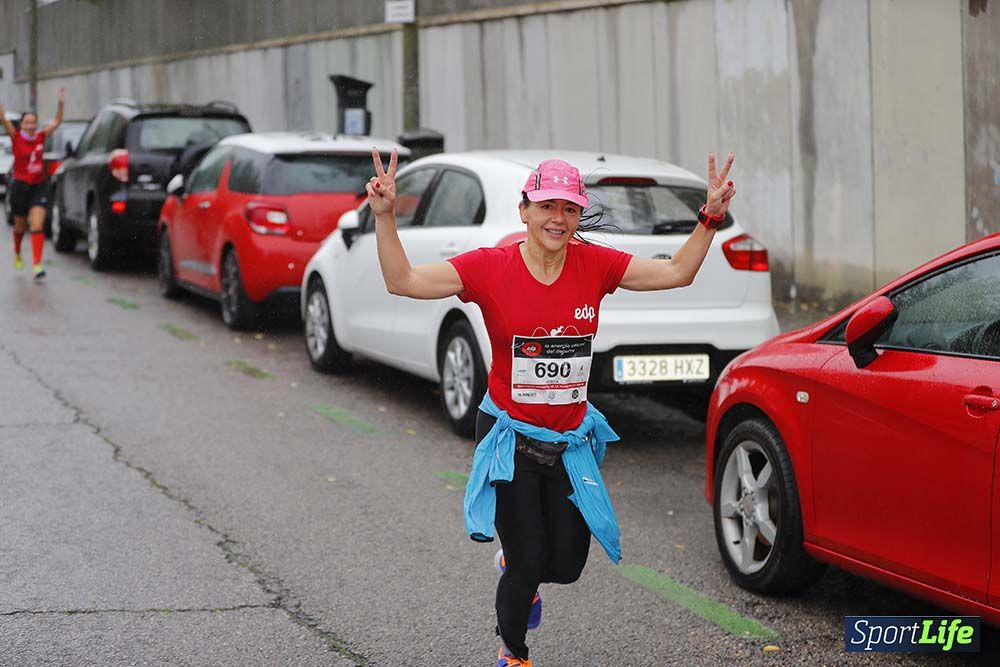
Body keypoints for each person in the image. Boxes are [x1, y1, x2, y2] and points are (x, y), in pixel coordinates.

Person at [367, 148, 735, 666]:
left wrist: (711, 216)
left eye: (568, 209)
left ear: (579, 215)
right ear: (524, 211)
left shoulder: (595, 265)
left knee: (565, 564)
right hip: (509, 436)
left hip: (568, 441)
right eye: (546, 206)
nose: (557, 219)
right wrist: (385, 216)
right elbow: (402, 281)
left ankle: (518, 567)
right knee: (527, 560)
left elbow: (677, 272)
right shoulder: (490, 269)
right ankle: (512, 652)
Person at [1, 88, 66, 279]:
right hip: (20, 186)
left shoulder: (40, 136)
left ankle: (37, 264)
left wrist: (60, 104)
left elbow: (56, 122)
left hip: (39, 185)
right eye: (27, 123)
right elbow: (3, 118)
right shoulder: (15, 137)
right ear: (21, 125)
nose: (30, 126)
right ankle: (18, 251)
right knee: (20, 227)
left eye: (33, 123)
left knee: (37, 225)